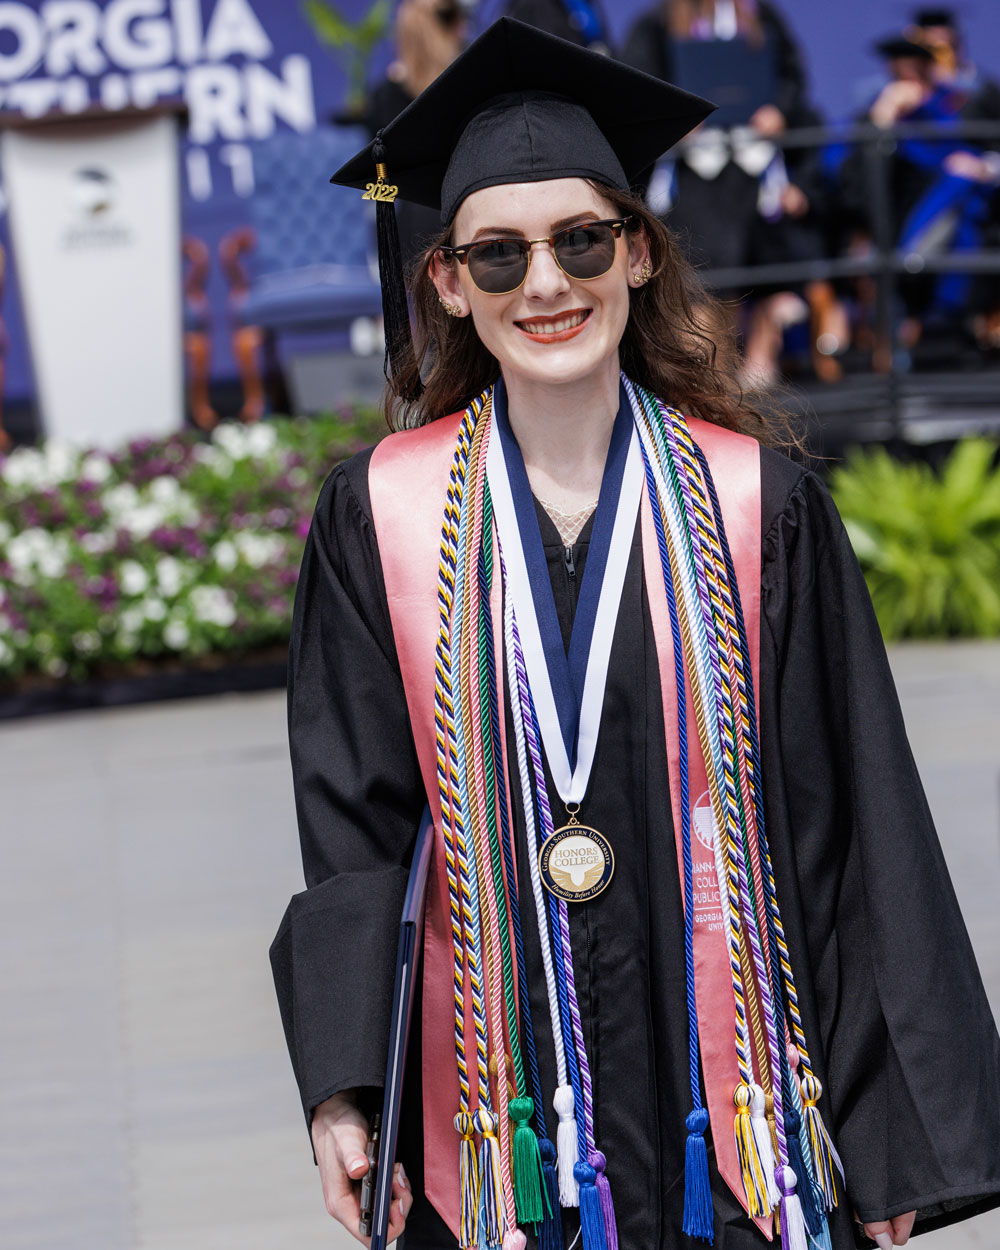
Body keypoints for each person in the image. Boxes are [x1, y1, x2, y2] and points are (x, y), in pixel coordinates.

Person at [270, 18, 1000, 1250]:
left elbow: (849, 829)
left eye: (581, 240)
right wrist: (346, 1088)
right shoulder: (379, 512)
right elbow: (354, 825)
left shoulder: (757, 506)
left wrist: (881, 1144)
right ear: (447, 279)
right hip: (500, 1125)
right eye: (496, 256)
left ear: (641, 254)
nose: (544, 284)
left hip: (740, 1114)